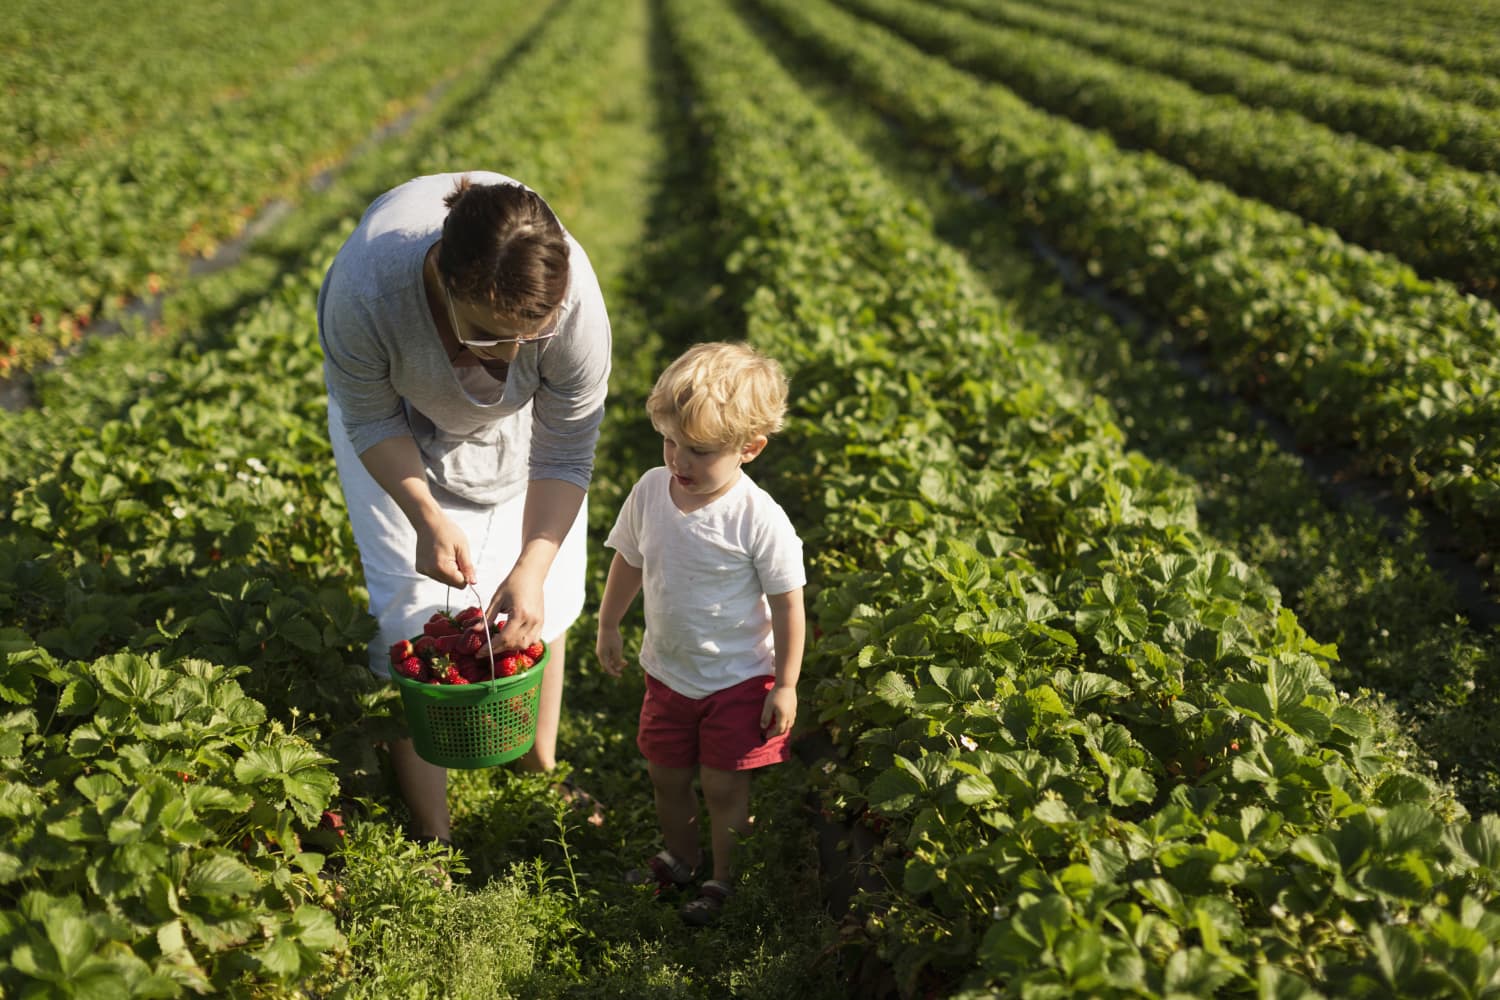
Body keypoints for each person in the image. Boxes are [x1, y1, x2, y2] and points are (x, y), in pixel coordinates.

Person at [317, 171, 611, 846]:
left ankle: (540, 763)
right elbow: (367, 417)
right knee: (412, 609)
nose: (511, 354)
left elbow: (565, 455)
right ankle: (434, 834)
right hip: (396, 422)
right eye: (489, 333)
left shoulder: (572, 308)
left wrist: (532, 565)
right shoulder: (367, 290)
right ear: (447, 285)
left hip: (519, 423)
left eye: (527, 339)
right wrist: (424, 513)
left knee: (548, 593)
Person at [595, 341, 806, 925]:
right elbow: (630, 559)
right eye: (670, 443)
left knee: (722, 786)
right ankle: (680, 857)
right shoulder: (650, 491)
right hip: (668, 671)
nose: (679, 462)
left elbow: (790, 606)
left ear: (750, 448)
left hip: (738, 678)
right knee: (666, 774)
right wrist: (609, 621)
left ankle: (722, 879)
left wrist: (784, 685)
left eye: (699, 451)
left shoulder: (758, 519)